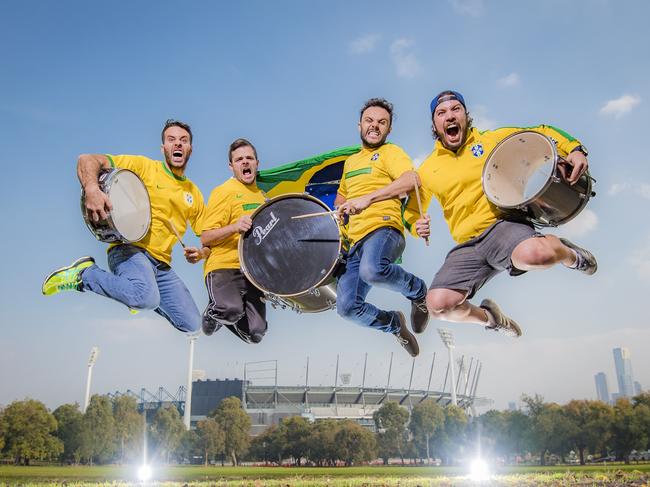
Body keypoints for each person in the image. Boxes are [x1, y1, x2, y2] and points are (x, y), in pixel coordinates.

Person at [405, 90, 597, 337]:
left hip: (502, 227)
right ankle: (492, 319)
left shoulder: (492, 140)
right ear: (434, 124)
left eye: (456, 109)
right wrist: (414, 226)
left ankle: (571, 255)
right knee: (438, 305)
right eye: (441, 113)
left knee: (536, 254)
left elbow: (542, 131)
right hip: (467, 247)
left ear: (466, 116)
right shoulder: (427, 169)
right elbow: (411, 210)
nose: (449, 116)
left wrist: (575, 149)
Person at [42, 119, 207, 334]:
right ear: (163, 147)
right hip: (130, 251)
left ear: (190, 149)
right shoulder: (145, 167)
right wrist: (92, 189)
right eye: (171, 140)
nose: (177, 144)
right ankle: (84, 275)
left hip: (161, 265)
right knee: (145, 298)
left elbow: (207, 236)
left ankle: (133, 290)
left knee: (192, 324)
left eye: (183, 140)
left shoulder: (193, 193)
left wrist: (202, 253)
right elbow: (87, 159)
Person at [335, 98, 429, 357]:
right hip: (354, 243)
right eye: (369, 121)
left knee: (373, 270)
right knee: (347, 308)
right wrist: (341, 208)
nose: (374, 126)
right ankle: (394, 325)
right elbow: (341, 196)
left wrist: (369, 198)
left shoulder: (391, 153)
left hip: (384, 228)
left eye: (381, 122)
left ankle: (419, 293)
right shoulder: (350, 162)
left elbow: (412, 179)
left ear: (388, 130)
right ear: (359, 126)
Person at [200, 138, 267, 344]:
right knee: (230, 309)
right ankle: (213, 315)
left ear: (257, 163)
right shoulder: (223, 192)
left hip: (252, 271)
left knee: (256, 334)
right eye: (239, 160)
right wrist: (234, 227)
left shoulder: (264, 197)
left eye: (249, 158)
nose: (245, 162)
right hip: (224, 267)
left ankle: (234, 316)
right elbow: (205, 237)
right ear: (231, 166)